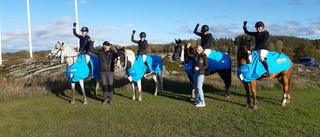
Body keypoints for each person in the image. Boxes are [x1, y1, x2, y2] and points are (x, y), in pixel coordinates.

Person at [89, 38, 119, 104]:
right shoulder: (100, 52)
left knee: (110, 85)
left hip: (110, 71)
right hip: (102, 71)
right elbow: (91, 49)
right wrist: (92, 41)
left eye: (109, 45)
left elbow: (117, 55)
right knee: (104, 85)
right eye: (107, 45)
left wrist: (119, 51)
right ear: (104, 46)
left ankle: (110, 98)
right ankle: (105, 98)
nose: (108, 46)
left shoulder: (112, 52)